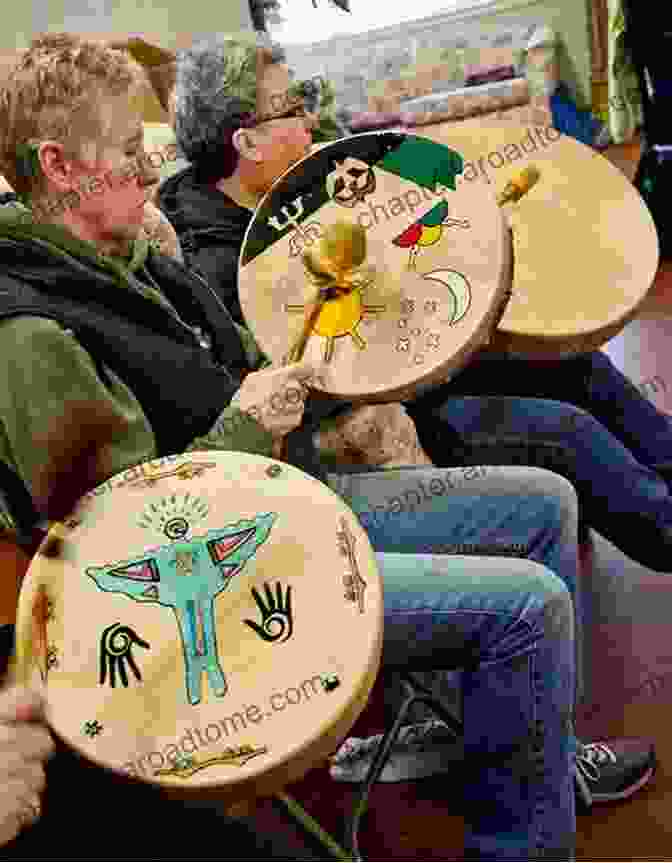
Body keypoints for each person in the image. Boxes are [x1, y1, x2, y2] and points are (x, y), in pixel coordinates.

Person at [0, 33, 654, 858]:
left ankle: (532, 760)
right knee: (531, 602)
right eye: (128, 150)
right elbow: (123, 552)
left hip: (287, 497)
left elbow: (230, 356)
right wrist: (245, 423)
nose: (145, 168)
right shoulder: (31, 333)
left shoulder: (130, 253)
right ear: (60, 167)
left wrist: (300, 342)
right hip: (232, 585)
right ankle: (522, 840)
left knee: (546, 502)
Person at [159, 34, 672, 574]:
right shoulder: (221, 264)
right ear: (249, 143)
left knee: (578, 365)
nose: (310, 120)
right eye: (292, 107)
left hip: (424, 361)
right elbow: (307, 381)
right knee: (564, 429)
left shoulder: (302, 183)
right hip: (383, 405)